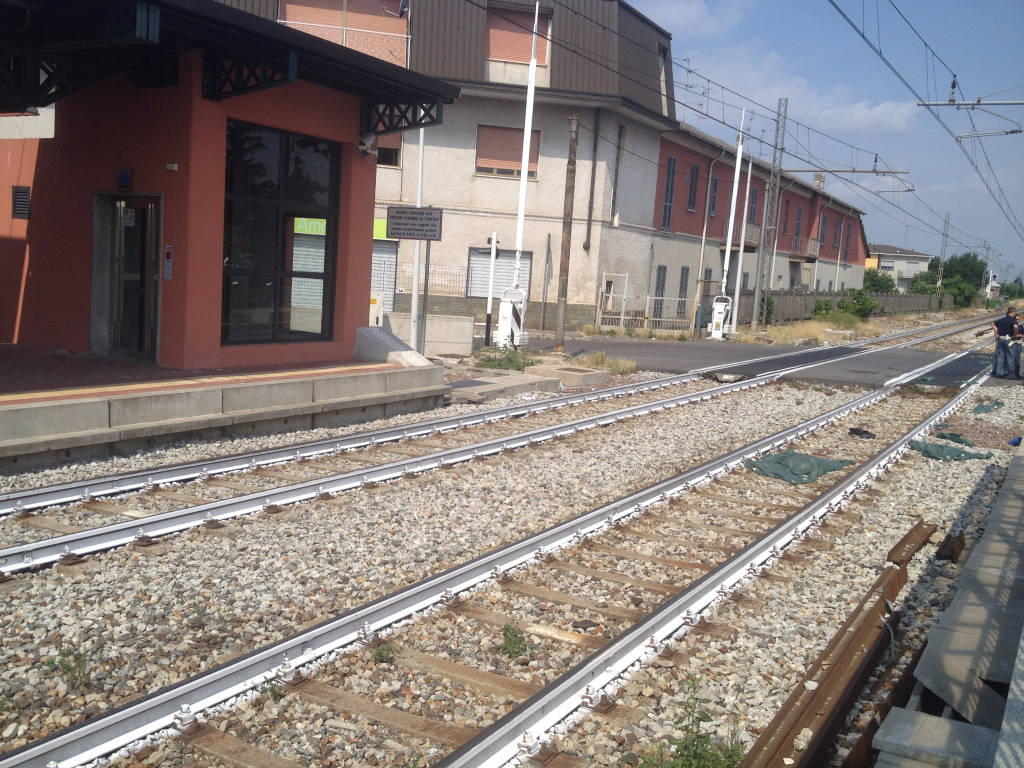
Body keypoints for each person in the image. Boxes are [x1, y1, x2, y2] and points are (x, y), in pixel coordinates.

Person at [992, 307, 1018, 378]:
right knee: (1010, 356)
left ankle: (999, 373)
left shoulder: (1002, 319)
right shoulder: (1013, 320)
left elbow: (993, 323)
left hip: (1001, 339)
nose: (1015, 314)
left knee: (1001, 356)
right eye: (1015, 312)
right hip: (1009, 339)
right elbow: (1015, 327)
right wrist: (1015, 335)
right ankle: (1010, 374)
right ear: (1012, 312)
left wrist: (996, 332)